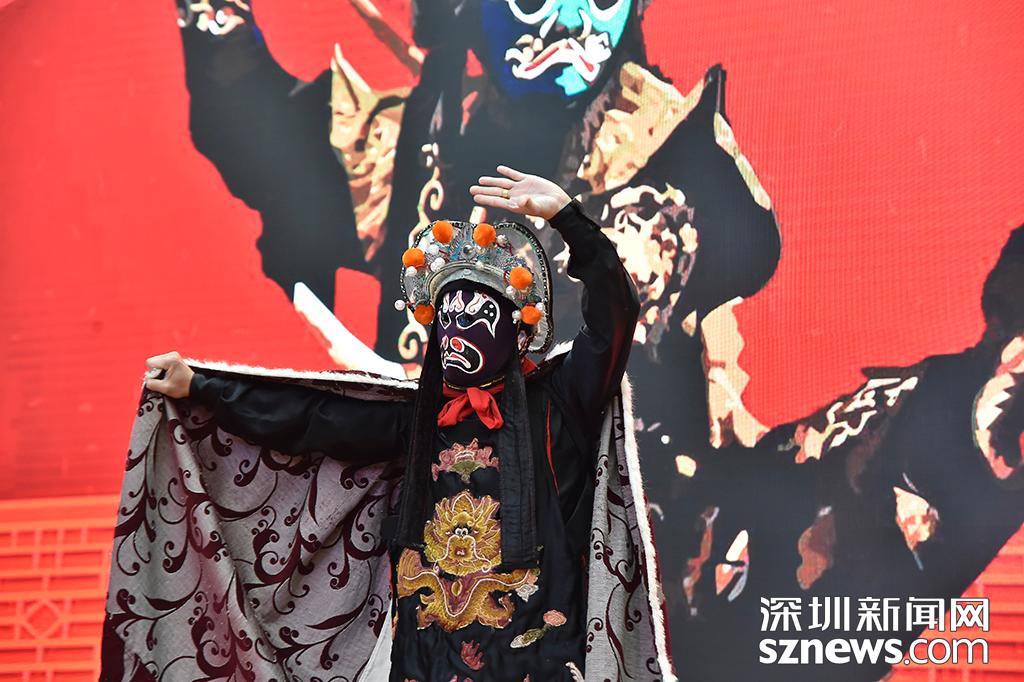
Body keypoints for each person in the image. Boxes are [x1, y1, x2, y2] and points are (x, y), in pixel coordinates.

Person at [134, 168, 652, 681]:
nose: (456, 334)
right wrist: (201, 387)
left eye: (475, 319)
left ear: (516, 333)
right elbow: (313, 418)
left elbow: (614, 316)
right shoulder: (416, 419)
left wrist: (568, 218)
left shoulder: (560, 400)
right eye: (447, 319)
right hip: (424, 664)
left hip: (539, 662)